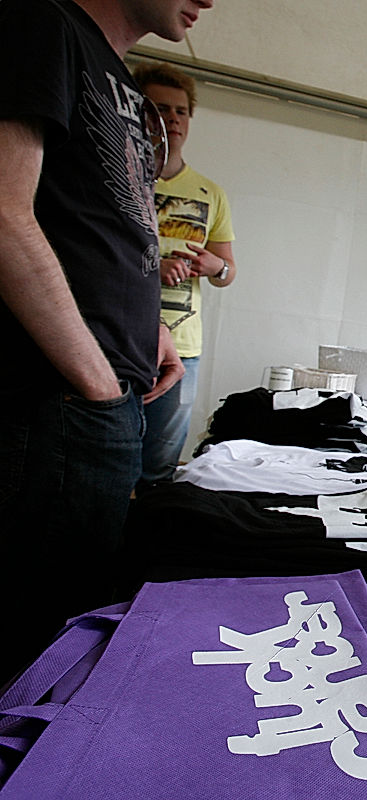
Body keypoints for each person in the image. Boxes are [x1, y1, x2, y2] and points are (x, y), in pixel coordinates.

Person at [0, 0, 211, 681]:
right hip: (56, 402)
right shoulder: (44, 25)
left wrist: (148, 330)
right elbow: (3, 212)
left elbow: (100, 222)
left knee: (66, 636)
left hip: (104, 395)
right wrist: (93, 378)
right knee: (32, 653)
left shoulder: (109, 70)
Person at [135, 62, 237, 487]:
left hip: (184, 349)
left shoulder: (210, 192)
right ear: (139, 112)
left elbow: (227, 272)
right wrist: (150, 269)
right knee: (104, 460)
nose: (172, 119)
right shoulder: (123, 175)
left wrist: (217, 267)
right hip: (119, 341)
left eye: (180, 110)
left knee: (158, 469)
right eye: (160, 108)